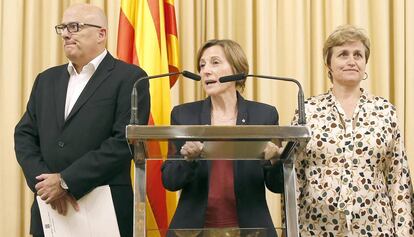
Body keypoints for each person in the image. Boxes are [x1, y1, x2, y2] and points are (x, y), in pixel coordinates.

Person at [14, 3, 150, 237]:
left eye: (75, 27)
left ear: (101, 34)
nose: (66, 34)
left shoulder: (130, 78)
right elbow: (25, 135)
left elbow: (123, 142)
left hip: (105, 208)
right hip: (50, 209)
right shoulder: (46, 80)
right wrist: (46, 186)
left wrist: (66, 182)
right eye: (63, 27)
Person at [293, 25, 414, 236]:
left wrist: (405, 232)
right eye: (343, 54)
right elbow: (294, 177)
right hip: (316, 229)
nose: (351, 60)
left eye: (358, 55)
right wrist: (291, 230)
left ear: (365, 63)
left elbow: (398, 179)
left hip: (376, 229)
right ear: (328, 64)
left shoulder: (385, 111)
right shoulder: (307, 111)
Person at [161, 39, 284, 237]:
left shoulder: (264, 115)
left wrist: (274, 160)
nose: (205, 71)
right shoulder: (184, 115)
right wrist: (188, 160)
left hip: (252, 230)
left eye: (215, 62)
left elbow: (277, 185)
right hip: (194, 230)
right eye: (202, 65)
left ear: (237, 69)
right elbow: (169, 180)